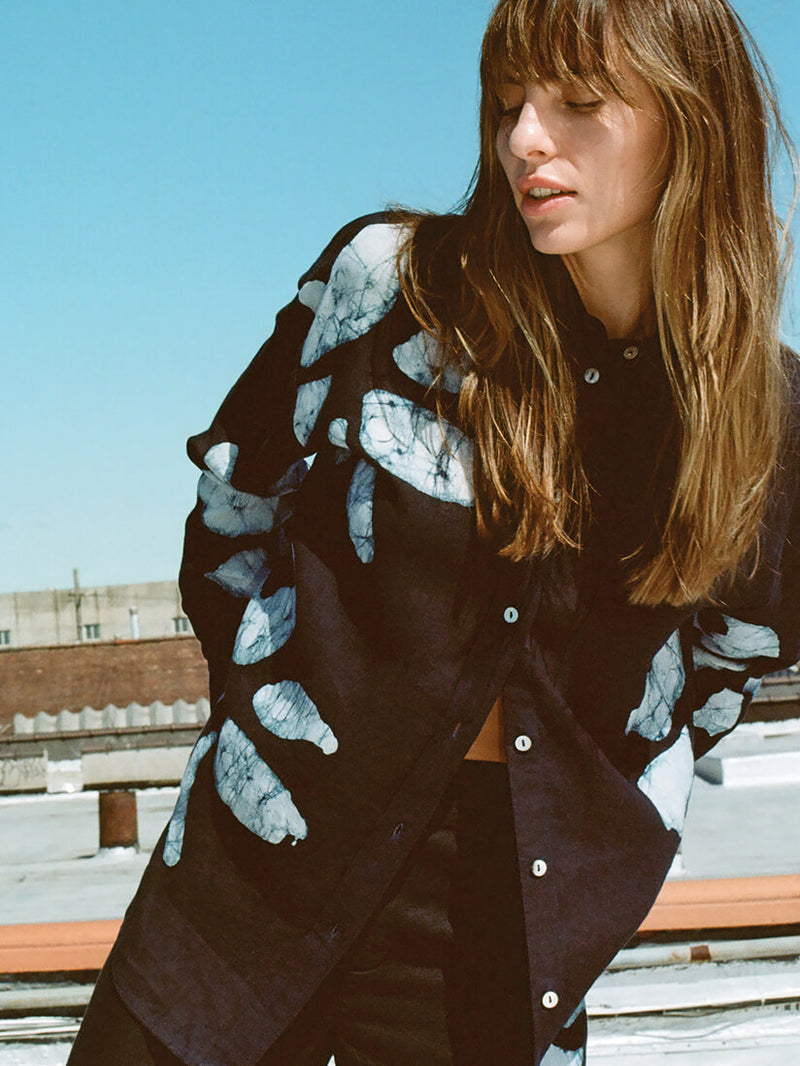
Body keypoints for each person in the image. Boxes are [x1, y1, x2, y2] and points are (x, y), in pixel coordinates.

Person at [68, 0, 799, 1063]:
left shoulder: (756, 420)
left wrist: (608, 797)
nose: (523, 140)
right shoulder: (392, 288)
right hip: (243, 890)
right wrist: (274, 710)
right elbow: (234, 505)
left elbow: (732, 655)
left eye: (578, 102)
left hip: (493, 934)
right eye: (506, 102)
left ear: (692, 120)